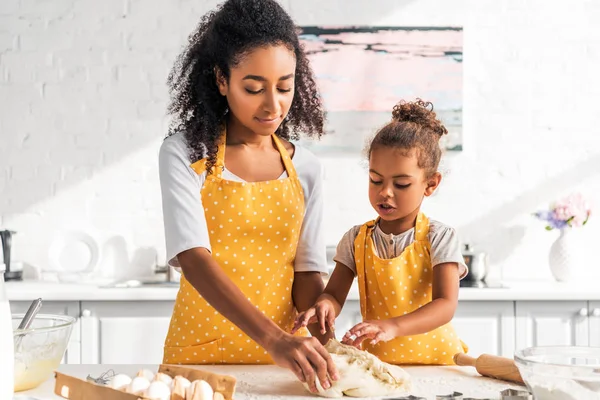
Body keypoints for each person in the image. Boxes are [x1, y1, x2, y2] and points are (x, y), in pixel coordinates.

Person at [158, 0, 338, 391]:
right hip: (201, 360)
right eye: (253, 88)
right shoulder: (185, 154)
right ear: (222, 80)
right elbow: (193, 258)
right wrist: (274, 338)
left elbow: (307, 271)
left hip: (286, 365)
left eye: (284, 87)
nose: (273, 105)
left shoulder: (305, 167)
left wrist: (330, 349)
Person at [293, 99, 469, 365]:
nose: (384, 192)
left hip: (438, 364)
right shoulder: (356, 239)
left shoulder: (440, 238)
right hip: (381, 366)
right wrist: (325, 306)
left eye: (401, 184)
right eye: (376, 180)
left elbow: (446, 304)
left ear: (430, 184)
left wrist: (392, 327)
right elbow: (334, 294)